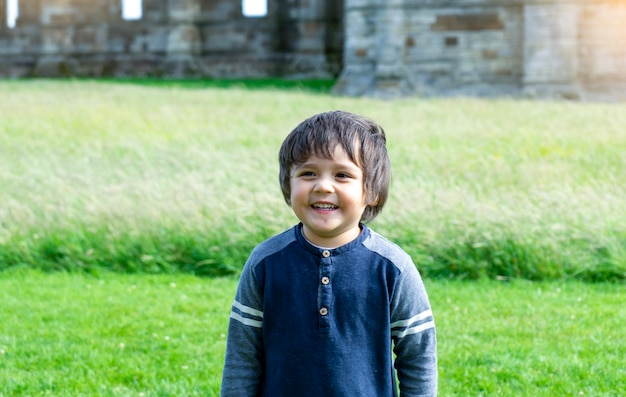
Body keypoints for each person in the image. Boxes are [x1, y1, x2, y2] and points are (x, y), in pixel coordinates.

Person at [220, 110, 437, 396]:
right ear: (288, 184)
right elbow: (242, 356)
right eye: (308, 173)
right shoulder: (265, 262)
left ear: (371, 191)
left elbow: (418, 357)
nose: (323, 186)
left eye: (342, 175)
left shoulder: (393, 267)